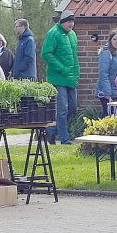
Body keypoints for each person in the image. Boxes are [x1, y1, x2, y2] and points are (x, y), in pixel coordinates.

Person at [42, 10, 80, 145]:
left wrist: (76, 73)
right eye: (69, 22)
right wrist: (62, 68)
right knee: (63, 108)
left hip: (70, 77)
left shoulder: (73, 35)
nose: (72, 24)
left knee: (73, 107)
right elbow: (46, 53)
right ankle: (64, 138)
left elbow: (74, 56)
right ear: (63, 22)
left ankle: (52, 130)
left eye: (73, 22)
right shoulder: (53, 34)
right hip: (58, 77)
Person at [96, 30, 117, 116]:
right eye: (114, 39)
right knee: (109, 117)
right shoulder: (106, 54)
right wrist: (107, 93)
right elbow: (103, 74)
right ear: (110, 41)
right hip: (107, 92)